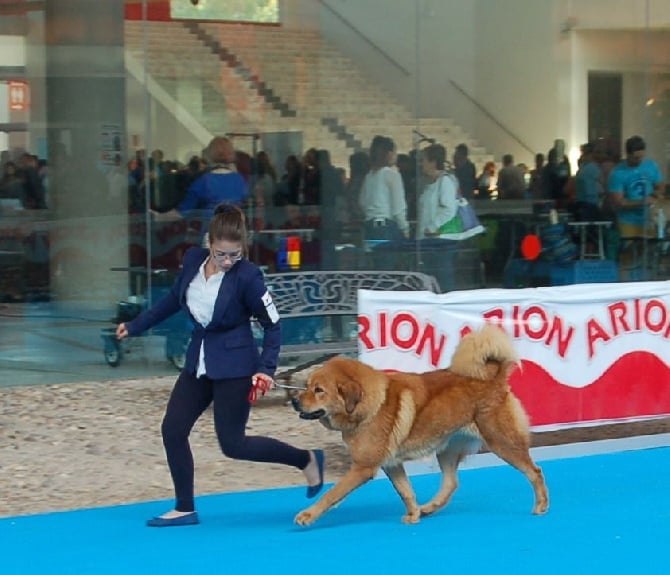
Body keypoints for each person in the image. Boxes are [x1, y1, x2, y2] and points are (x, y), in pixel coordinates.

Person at [115, 204, 325, 527]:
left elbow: (273, 325)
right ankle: (185, 507)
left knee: (233, 444)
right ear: (208, 243)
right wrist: (135, 325)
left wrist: (266, 370)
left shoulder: (249, 277)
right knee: (172, 429)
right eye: (221, 254)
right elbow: (172, 301)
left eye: (235, 255)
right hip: (198, 361)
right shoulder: (190, 261)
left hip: (237, 366)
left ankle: (306, 459)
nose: (228, 261)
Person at [608, 135, 664, 238]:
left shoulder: (651, 165)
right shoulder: (617, 173)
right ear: (628, 154)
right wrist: (642, 202)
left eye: (641, 157)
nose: (639, 160)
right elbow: (619, 202)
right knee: (629, 251)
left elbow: (660, 185)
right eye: (636, 158)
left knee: (650, 251)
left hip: (649, 219)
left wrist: (656, 195)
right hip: (628, 221)